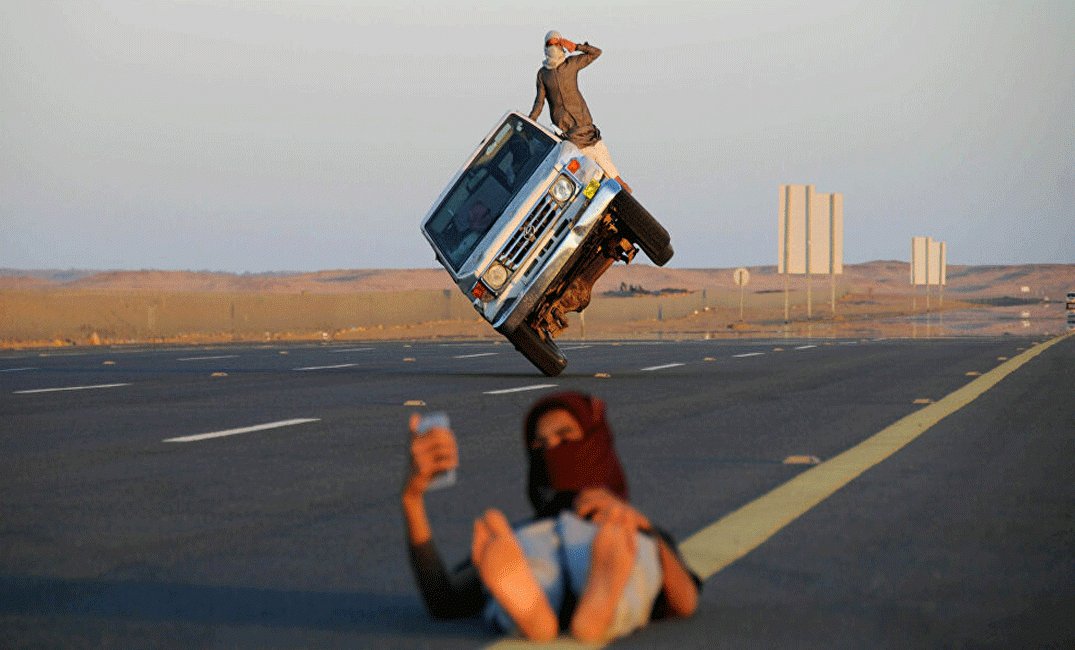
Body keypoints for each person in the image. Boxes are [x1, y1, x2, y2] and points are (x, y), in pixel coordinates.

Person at [402, 391, 700, 642]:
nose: (551, 452)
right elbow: (446, 600)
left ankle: (546, 611)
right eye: (539, 445)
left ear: (595, 444)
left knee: (630, 548)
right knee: (529, 553)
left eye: (565, 438)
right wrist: (412, 498)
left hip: (605, 535)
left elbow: (684, 600)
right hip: (548, 542)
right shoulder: (523, 537)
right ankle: (549, 609)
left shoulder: (627, 526)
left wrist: (642, 527)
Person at [528, 31, 632, 193]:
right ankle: (608, 193)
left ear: (561, 44)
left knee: (609, 171)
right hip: (571, 135)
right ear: (545, 47)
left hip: (587, 128)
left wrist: (575, 46)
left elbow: (596, 52)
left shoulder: (571, 64)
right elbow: (539, 102)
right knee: (593, 175)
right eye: (550, 44)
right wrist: (530, 122)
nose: (553, 47)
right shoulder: (543, 74)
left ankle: (617, 198)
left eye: (557, 44)